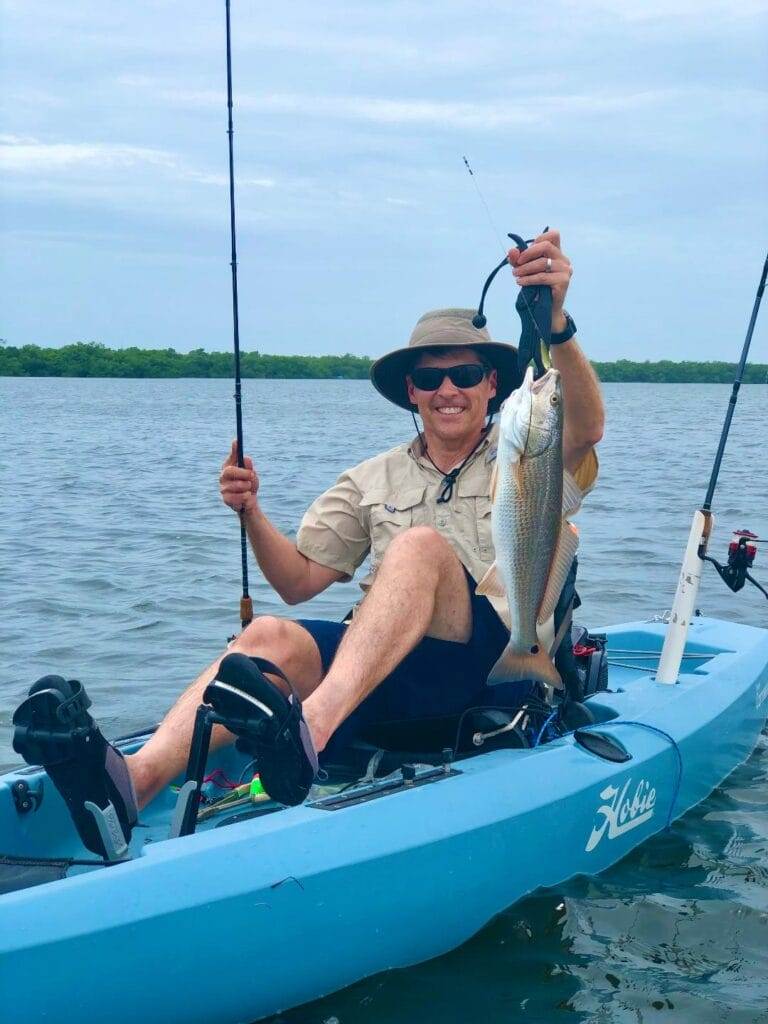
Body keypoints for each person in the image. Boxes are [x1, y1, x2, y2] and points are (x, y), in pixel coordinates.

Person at [13, 230, 604, 849]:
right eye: (430, 379)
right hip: (382, 670)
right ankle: (132, 781)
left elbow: (587, 427)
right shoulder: (371, 478)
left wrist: (556, 322)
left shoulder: (530, 446)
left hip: (487, 662)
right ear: (411, 391)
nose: (447, 390)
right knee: (267, 634)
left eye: (464, 374)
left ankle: (308, 736)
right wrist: (252, 514)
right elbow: (297, 582)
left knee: (420, 547)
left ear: (493, 384)